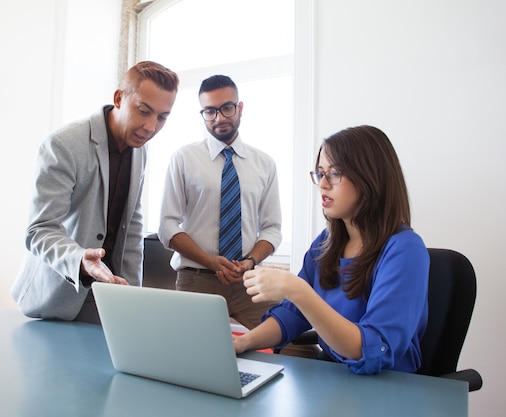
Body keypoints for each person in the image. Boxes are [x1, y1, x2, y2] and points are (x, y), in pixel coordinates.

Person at [233, 125, 429, 374]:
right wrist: (243, 342)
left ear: (371, 178)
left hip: (387, 388)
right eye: (320, 173)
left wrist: (297, 290)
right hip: (336, 379)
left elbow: (373, 350)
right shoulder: (327, 242)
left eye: (335, 174)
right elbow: (292, 315)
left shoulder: (405, 250)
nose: (323, 185)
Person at [11, 61, 179, 322]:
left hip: (109, 297)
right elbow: (39, 230)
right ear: (119, 98)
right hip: (59, 294)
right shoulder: (63, 144)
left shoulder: (141, 151)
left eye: (162, 117)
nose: (150, 127)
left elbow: (132, 225)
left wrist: (133, 296)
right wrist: (80, 260)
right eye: (144, 111)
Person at [158, 74, 282, 331]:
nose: (220, 118)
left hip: (248, 279)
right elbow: (167, 226)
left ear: (240, 108)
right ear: (202, 113)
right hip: (198, 278)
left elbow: (272, 228)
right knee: (193, 355)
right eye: (210, 111)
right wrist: (210, 261)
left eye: (227, 108)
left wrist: (249, 262)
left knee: (286, 342)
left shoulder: (264, 164)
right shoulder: (184, 158)